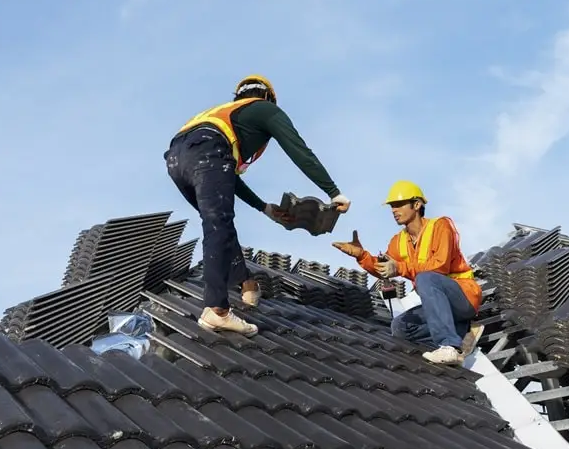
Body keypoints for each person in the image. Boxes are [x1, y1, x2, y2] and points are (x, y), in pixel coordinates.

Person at [165, 74, 351, 335]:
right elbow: (299, 150)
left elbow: (225, 177)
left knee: (219, 222)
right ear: (267, 97)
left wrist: (265, 208)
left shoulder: (221, 115)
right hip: (207, 154)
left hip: (177, 160)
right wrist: (333, 192)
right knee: (218, 224)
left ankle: (247, 284)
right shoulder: (264, 109)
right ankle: (216, 310)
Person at [331, 180, 483, 364]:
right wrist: (362, 256)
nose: (394, 210)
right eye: (392, 207)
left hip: (463, 297)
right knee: (401, 327)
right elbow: (385, 267)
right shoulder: (398, 241)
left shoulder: (441, 226)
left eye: (398, 205)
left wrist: (400, 268)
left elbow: (440, 266)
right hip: (440, 305)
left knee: (425, 279)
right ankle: (462, 334)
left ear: (417, 205)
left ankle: (449, 345)